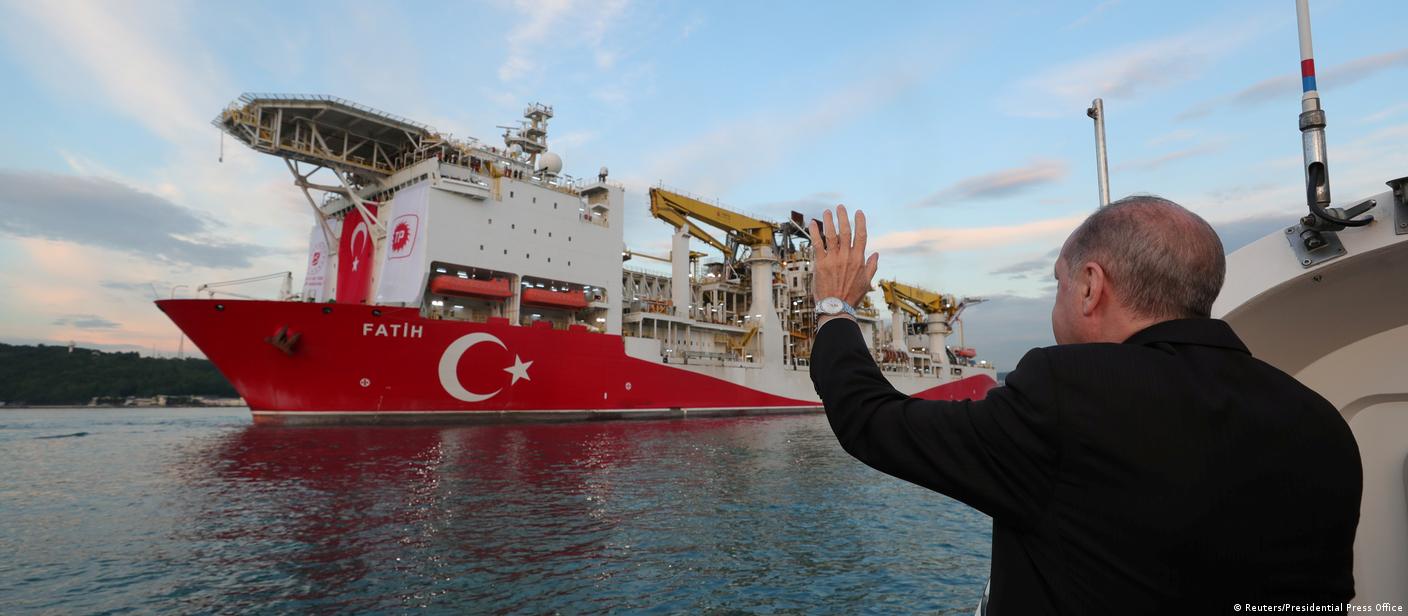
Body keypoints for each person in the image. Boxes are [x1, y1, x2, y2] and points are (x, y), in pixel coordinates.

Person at [806, 197, 1362, 614]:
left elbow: (871, 420)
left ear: (1092, 287)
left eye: (1059, 284)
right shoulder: (1320, 423)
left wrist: (835, 307)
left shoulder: (1067, 394)